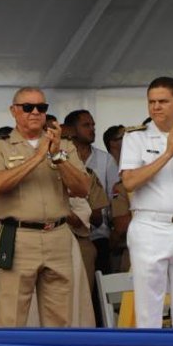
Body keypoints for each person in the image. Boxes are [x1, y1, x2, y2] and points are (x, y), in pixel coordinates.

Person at [0, 88, 89, 327]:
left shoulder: (64, 146)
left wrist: (57, 156)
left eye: (42, 107)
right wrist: (37, 157)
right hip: (19, 236)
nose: (36, 112)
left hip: (57, 236)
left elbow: (83, 188)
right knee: (12, 315)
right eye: (28, 107)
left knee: (60, 317)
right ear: (13, 111)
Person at [119, 77, 173, 328]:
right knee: (148, 304)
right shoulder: (136, 138)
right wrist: (167, 154)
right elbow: (129, 182)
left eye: (163, 101)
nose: (156, 107)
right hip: (150, 225)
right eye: (152, 102)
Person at [64, 110, 119, 277]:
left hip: (99, 233)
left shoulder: (105, 159)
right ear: (71, 130)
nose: (92, 129)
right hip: (66, 234)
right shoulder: (60, 158)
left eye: (93, 125)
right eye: (86, 125)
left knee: (99, 290)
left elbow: (112, 198)